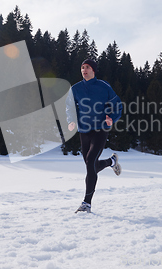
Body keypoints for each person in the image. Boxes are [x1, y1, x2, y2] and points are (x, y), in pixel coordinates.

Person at [66, 59, 122, 213]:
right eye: (82, 67)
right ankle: (112, 161)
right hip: (84, 130)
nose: (84, 70)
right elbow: (69, 106)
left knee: (91, 162)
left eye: (88, 67)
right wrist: (71, 120)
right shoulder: (76, 89)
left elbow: (117, 104)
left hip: (100, 129)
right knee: (91, 166)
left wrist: (112, 118)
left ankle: (86, 203)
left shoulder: (104, 87)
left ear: (94, 70)